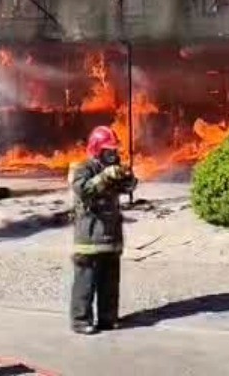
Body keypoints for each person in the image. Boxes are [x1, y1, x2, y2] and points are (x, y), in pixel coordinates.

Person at [68, 126, 136, 335]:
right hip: (90, 235)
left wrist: (126, 176)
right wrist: (105, 177)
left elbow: (130, 187)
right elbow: (84, 190)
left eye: (115, 150)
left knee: (110, 280)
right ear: (97, 149)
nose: (113, 154)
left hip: (111, 233)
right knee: (86, 281)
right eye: (109, 150)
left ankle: (108, 318)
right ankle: (81, 320)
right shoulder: (82, 168)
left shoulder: (114, 167)